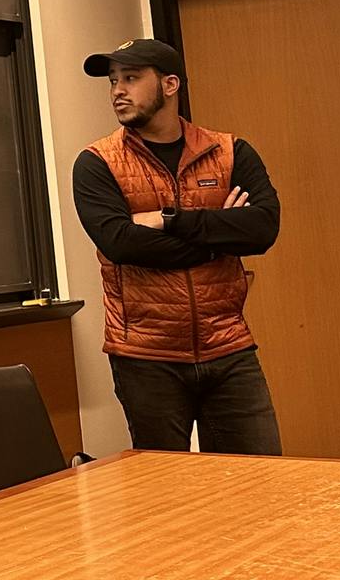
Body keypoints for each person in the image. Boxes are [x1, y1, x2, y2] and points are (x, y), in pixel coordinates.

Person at [73, 38, 282, 454]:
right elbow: (122, 243)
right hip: (146, 355)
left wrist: (169, 220)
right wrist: (219, 238)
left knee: (261, 477)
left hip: (228, 346)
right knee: (164, 486)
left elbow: (262, 229)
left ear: (170, 85)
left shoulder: (229, 151)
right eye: (113, 81)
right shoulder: (97, 162)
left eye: (131, 78)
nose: (117, 91)